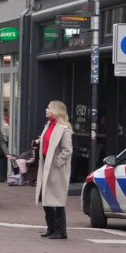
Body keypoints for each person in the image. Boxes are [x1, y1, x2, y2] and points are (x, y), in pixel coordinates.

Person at [36, 100, 74, 240]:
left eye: (49, 108)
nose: (46, 110)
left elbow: (67, 150)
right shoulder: (48, 125)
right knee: (46, 198)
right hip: (46, 165)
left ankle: (61, 230)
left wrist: (57, 162)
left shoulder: (64, 129)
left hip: (56, 168)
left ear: (56, 111)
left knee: (57, 199)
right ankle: (51, 228)